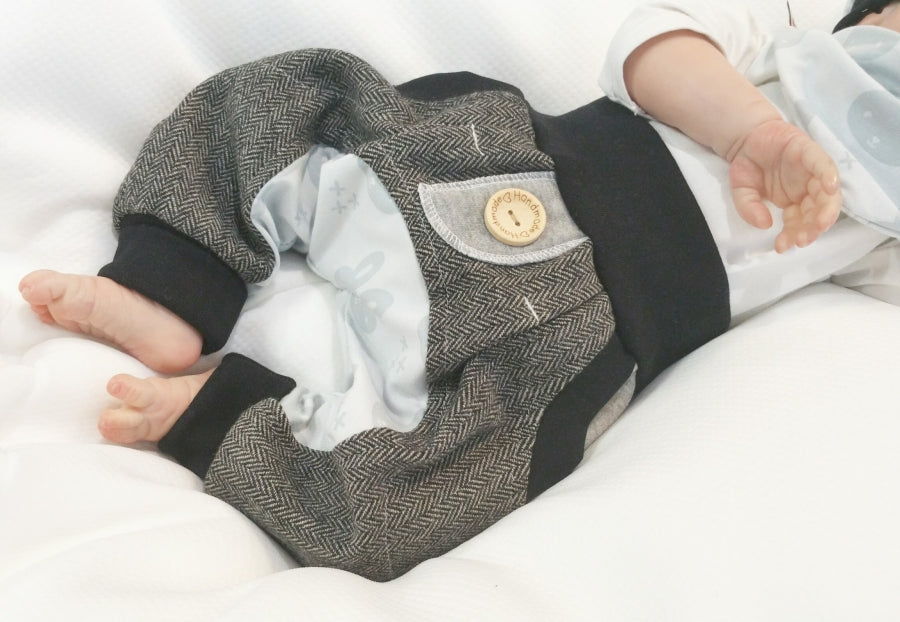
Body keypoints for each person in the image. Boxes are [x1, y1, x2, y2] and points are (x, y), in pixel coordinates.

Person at [17, 0, 900, 580]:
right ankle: (175, 282)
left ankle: (222, 418)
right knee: (282, 100)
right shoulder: (792, 36)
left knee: (425, 500)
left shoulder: (881, 229)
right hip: (493, 165)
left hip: (582, 335)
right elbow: (649, 44)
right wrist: (751, 129)